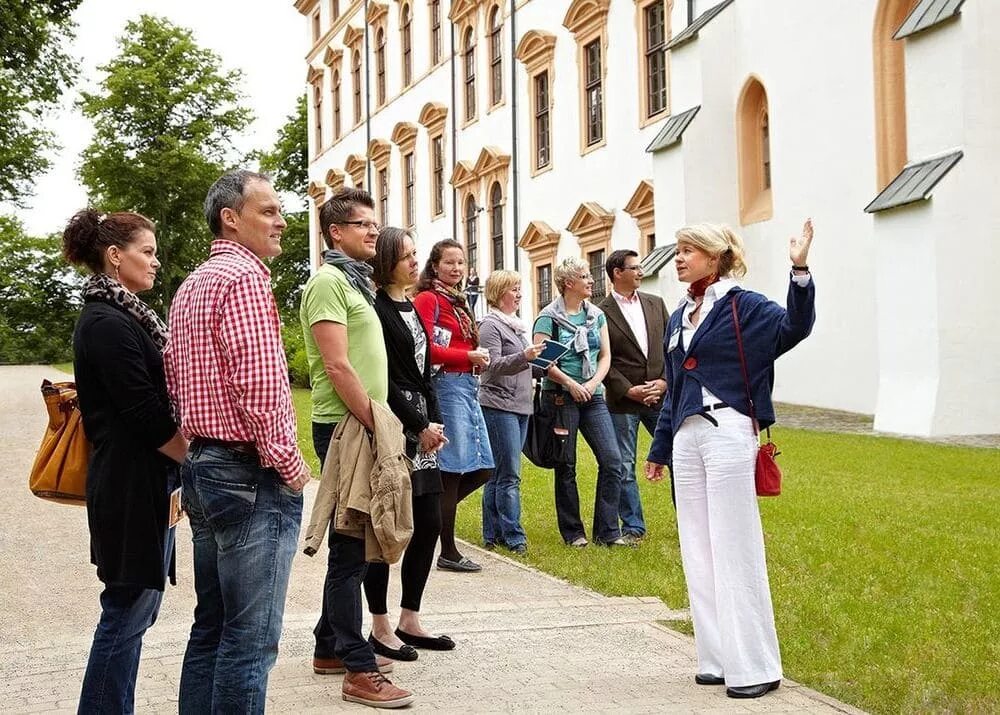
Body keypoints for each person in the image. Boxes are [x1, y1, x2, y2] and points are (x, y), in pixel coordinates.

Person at [644, 220, 815, 699]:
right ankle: (716, 657)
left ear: (715, 256)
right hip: (686, 437)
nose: (678, 258)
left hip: (729, 430)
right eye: (677, 250)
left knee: (734, 543)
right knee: (697, 547)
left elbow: (795, 327)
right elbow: (675, 387)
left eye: (688, 251)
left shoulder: (745, 305)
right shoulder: (680, 315)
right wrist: (660, 449)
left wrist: (799, 269)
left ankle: (755, 664)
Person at [165, 170, 311, 714]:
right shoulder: (245, 279)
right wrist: (289, 464)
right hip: (249, 475)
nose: (282, 220)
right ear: (232, 217)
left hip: (203, 467)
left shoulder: (193, 283)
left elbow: (173, 378)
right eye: (269, 210)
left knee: (213, 628)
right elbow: (260, 384)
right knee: (249, 641)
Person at [63, 209, 188, 714]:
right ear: (115, 256)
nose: (155, 263)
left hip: (148, 482)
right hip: (130, 487)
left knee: (137, 610)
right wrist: (194, 459)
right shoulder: (105, 322)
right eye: (148, 252)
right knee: (126, 610)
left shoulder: (127, 315)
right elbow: (143, 413)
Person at [300, 188, 414, 708]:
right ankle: (357, 667)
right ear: (335, 234)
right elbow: (337, 366)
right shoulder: (327, 283)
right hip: (349, 426)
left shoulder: (355, 282)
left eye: (375, 223)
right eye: (363, 225)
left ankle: (329, 647)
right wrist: (376, 423)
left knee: (356, 544)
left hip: (363, 421)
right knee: (349, 548)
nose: (374, 231)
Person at [368, 226, 457, 655]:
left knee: (430, 522)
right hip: (394, 424)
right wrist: (416, 424)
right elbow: (381, 380)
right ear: (386, 260)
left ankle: (411, 618)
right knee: (386, 524)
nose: (413, 261)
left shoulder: (412, 307)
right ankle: (380, 624)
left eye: (415, 254)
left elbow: (425, 374)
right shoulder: (377, 308)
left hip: (422, 422)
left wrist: (435, 421)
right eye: (405, 255)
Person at [532, 257, 627, 548]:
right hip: (561, 397)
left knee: (613, 461)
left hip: (593, 396)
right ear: (568, 283)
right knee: (567, 464)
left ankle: (608, 531)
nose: (591, 280)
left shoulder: (596, 315)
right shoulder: (548, 317)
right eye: (585, 276)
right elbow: (541, 358)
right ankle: (574, 533)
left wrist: (592, 383)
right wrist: (571, 384)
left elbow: (605, 356)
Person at [413, 240, 494, 572]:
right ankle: (447, 549)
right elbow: (424, 348)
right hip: (446, 386)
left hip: (466, 385)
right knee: (453, 469)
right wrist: (467, 356)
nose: (457, 269)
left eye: (461, 262)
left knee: (484, 466)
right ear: (435, 266)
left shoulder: (459, 301)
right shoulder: (429, 299)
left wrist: (475, 362)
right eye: (450, 263)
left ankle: (425, 516)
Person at [599, 250, 671, 543]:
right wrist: (627, 389)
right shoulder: (600, 312)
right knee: (624, 464)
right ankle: (633, 527)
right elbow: (603, 358)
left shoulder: (656, 304)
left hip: (660, 397)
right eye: (635, 267)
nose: (641, 271)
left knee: (678, 456)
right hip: (623, 400)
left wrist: (665, 382)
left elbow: (671, 347)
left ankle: (692, 519)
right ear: (618, 272)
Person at [478, 270, 544, 554]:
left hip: (519, 405)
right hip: (499, 404)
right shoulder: (490, 326)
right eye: (513, 289)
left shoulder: (516, 326)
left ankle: (493, 534)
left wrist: (542, 360)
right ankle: (514, 536)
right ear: (498, 292)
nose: (519, 294)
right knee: (509, 475)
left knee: (500, 473)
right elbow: (490, 366)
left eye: (519, 289)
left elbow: (520, 365)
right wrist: (525, 357)